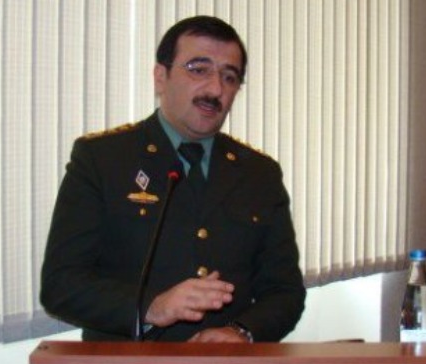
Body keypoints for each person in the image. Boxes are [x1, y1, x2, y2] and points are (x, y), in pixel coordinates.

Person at [40, 15, 306, 343]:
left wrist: (241, 332)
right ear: (160, 77)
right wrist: (151, 307)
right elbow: (60, 286)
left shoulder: (259, 173)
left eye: (229, 77)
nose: (215, 89)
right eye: (198, 69)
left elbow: (285, 292)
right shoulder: (103, 159)